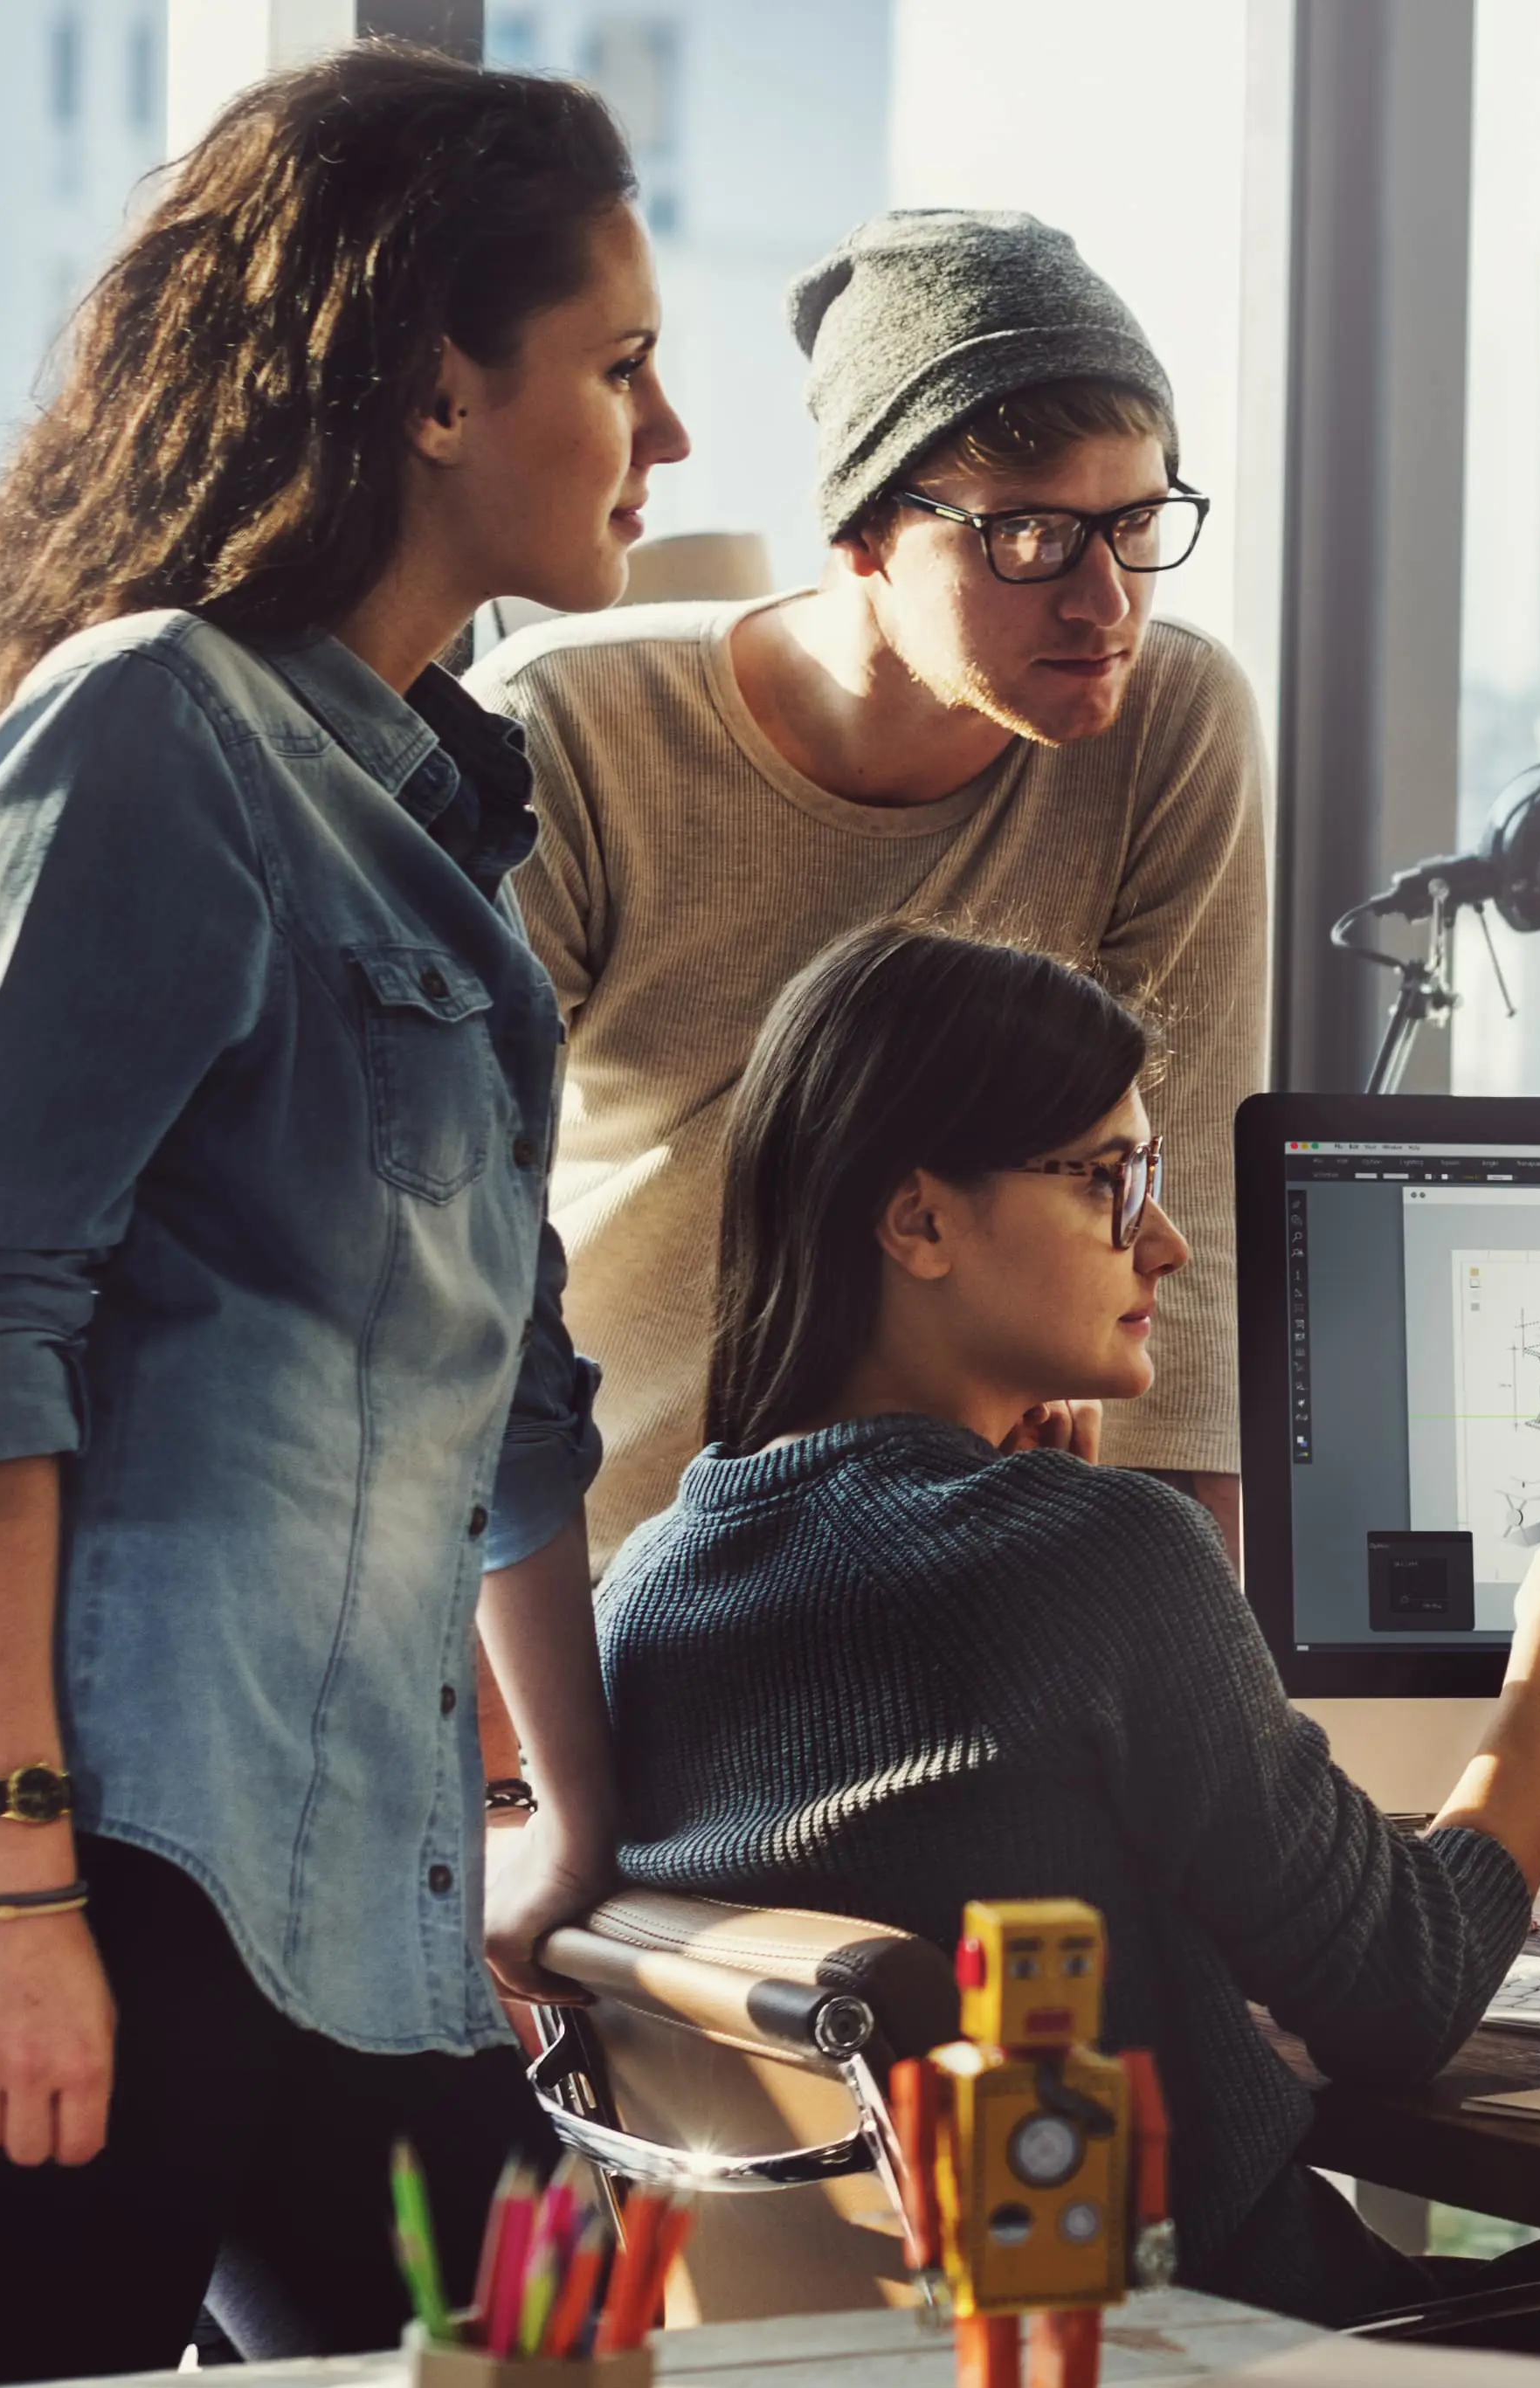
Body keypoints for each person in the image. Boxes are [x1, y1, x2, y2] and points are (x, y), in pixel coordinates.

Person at [0, 45, 680, 2384]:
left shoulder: (455, 838)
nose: (671, 436)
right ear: (436, 383)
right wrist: (5, 1887)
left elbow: (519, 1415)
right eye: (621, 369)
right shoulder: (153, 735)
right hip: (131, 1884)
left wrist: (577, 1838)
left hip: (382, 1912)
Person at [596, 925, 1540, 2322]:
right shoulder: (1094, 1558)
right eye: (1113, 1183)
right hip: (1248, 2385)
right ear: (920, 1220)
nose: (1169, 1244)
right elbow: (1402, 1998)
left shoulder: (646, 1586)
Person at [485, 208, 1268, 1567]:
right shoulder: (571, 732)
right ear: (861, 536)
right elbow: (464, 1255)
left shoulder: (1172, 717)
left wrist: (1205, 1663)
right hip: (610, 1562)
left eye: (1135, 524)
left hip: (963, 1570)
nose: (1105, 604)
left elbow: (1181, 1201)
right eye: (1028, 538)